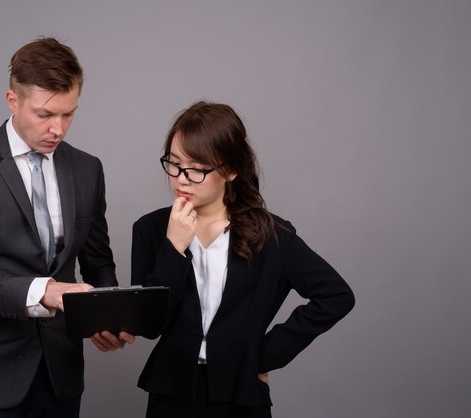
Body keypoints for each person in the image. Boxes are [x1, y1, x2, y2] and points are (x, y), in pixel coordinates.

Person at [0, 37, 134, 418]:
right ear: (13, 100)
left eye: (69, 114)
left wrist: (106, 315)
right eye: (44, 114)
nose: (58, 129)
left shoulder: (88, 169)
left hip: (61, 381)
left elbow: (98, 262)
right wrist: (44, 291)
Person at [131, 101, 355, 418]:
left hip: (241, 393)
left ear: (231, 170)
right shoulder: (150, 230)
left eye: (196, 168)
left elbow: (337, 295)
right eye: (173, 163)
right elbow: (150, 325)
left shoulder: (272, 234)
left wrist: (264, 355)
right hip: (171, 390)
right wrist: (174, 248)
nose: (181, 178)